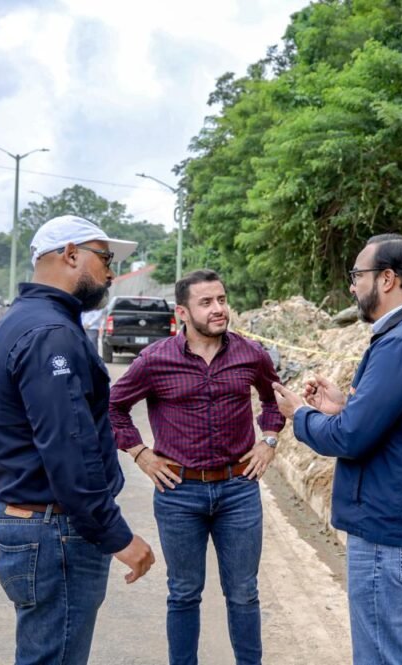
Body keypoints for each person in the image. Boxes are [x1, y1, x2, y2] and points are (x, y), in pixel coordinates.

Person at [271, 234, 402, 665]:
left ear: (388, 279)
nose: (353, 286)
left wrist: (301, 415)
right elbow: (388, 423)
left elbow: (350, 438)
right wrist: (343, 406)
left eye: (358, 275)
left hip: (389, 533)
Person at [0, 215, 155, 665]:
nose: (111, 272)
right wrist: (115, 535)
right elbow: (68, 450)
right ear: (71, 253)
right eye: (106, 258)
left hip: (36, 524)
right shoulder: (51, 333)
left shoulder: (27, 319)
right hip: (54, 529)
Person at [109, 268, 285, 665]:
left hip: (238, 490)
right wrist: (141, 454)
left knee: (243, 592)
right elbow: (113, 408)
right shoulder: (155, 361)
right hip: (178, 493)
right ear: (183, 313)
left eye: (221, 299)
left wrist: (269, 440)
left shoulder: (250, 354)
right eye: (206, 302)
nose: (219, 309)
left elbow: (274, 399)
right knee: (184, 592)